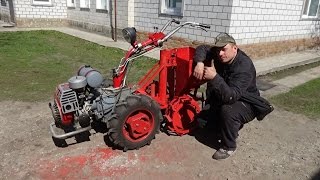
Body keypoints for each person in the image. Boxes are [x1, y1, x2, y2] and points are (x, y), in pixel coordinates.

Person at [193, 33, 260, 160]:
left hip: (246, 102)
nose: (220, 54)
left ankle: (229, 146)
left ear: (235, 48)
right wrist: (200, 62)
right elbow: (203, 48)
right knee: (202, 124)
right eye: (218, 49)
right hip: (226, 95)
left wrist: (214, 77)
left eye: (224, 49)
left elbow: (231, 97)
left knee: (228, 111)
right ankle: (225, 125)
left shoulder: (244, 66)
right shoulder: (220, 54)